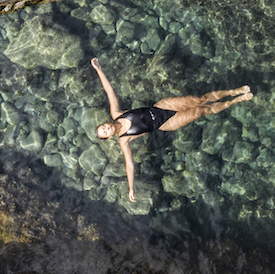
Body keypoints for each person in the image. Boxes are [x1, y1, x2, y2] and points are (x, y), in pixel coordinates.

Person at [91, 57, 252, 202]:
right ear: (110, 137)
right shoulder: (124, 140)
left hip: (161, 107)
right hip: (167, 124)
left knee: (198, 100)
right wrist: (131, 188)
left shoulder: (116, 113)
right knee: (203, 110)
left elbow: (109, 91)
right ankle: (236, 100)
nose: (106, 128)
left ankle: (234, 91)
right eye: (105, 132)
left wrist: (99, 69)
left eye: (103, 127)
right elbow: (129, 165)